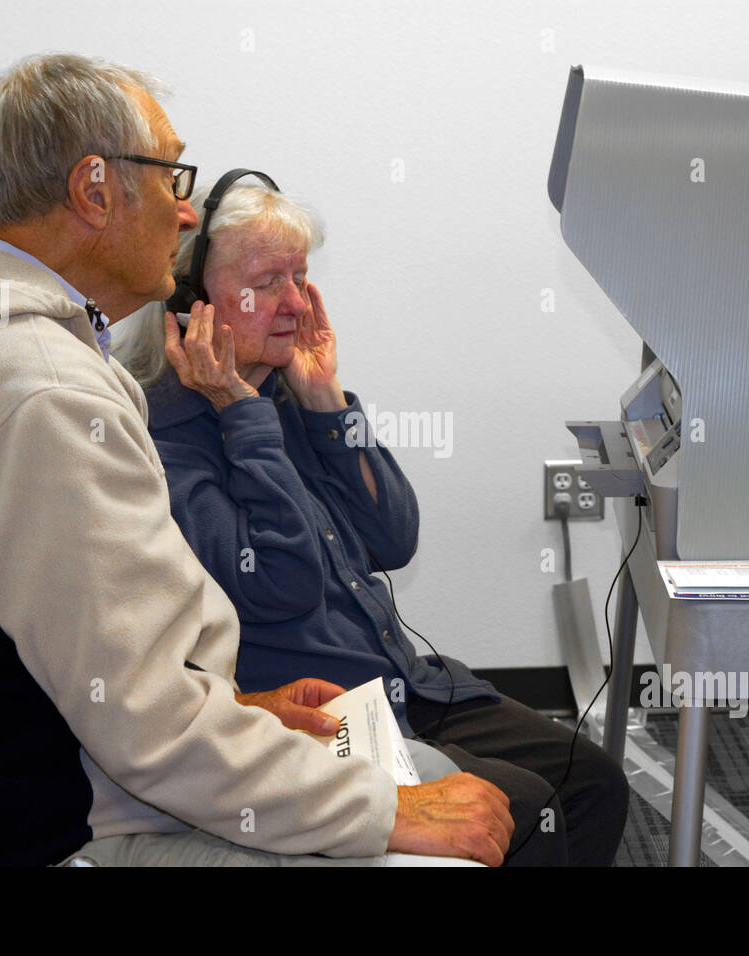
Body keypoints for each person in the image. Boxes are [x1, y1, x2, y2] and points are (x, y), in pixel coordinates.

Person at [0, 52, 513, 867]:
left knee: (428, 773)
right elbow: (145, 721)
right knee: (441, 846)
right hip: (31, 834)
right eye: (173, 179)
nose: (183, 215)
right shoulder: (39, 392)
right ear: (95, 191)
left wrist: (237, 703)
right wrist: (377, 814)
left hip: (6, 780)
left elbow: (101, 669)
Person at [114, 180, 629, 865]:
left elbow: (394, 536)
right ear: (188, 306)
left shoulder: (286, 396)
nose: (296, 303)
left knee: (594, 781)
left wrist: (326, 401)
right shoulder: (164, 438)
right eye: (268, 281)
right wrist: (243, 420)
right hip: (318, 712)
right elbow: (280, 586)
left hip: (405, 684)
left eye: (300, 277)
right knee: (528, 809)